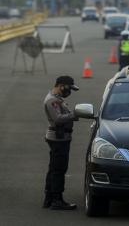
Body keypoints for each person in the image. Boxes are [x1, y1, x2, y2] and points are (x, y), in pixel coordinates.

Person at [43, 76, 80, 210]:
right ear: (61, 85)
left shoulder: (56, 99)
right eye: (69, 88)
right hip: (58, 138)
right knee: (59, 169)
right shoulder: (53, 100)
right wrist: (74, 115)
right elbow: (58, 119)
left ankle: (49, 198)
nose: (69, 92)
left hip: (60, 137)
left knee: (54, 168)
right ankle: (57, 200)